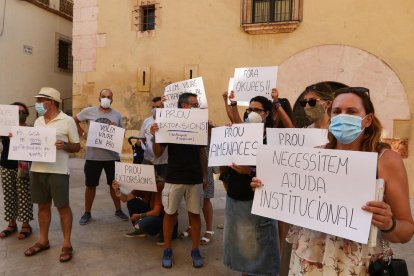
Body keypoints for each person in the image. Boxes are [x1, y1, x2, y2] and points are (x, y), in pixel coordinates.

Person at [252, 86, 414, 275]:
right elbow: (292, 204)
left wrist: (389, 224)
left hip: (355, 266)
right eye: (337, 112)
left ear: (368, 119)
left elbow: (406, 231)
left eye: (352, 112)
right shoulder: (315, 156)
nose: (342, 117)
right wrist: (269, 189)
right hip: (307, 262)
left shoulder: (385, 160)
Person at [223, 95, 281, 276]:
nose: (252, 113)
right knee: (242, 248)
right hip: (236, 195)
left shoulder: (273, 138)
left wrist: (249, 172)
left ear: (267, 113)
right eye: (250, 109)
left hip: (258, 201)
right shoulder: (240, 131)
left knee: (260, 247)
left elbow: (277, 172)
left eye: (257, 110)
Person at [151, 92, 207, 269]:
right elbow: (158, 153)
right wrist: (154, 136)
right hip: (174, 177)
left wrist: (205, 175)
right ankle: (167, 249)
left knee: (195, 215)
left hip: (194, 178)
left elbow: (201, 152)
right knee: (170, 214)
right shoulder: (169, 124)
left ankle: (195, 250)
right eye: (194, 104)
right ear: (184, 106)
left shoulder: (198, 125)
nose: (197, 107)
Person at [24, 87, 80, 262]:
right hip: (38, 169)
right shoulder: (38, 121)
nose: (38, 104)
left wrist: (63, 145)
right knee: (42, 206)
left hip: (58, 171)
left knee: (62, 207)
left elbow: (77, 147)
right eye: (38, 100)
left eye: (41, 100)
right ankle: (43, 241)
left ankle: (66, 244)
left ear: (53, 102)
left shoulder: (68, 120)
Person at [75, 89, 129, 225]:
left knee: (115, 186)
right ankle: (87, 212)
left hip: (112, 157)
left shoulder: (117, 115)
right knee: (90, 185)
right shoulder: (89, 111)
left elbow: (122, 134)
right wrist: (83, 134)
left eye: (109, 97)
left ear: (112, 99)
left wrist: (116, 130)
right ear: (99, 98)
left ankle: (118, 210)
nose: (106, 99)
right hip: (93, 156)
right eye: (103, 96)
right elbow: (74, 120)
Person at [0, 102, 33, 239]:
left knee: (24, 195)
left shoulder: (31, 128)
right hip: (6, 166)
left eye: (23, 111)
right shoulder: (4, 128)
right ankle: (11, 224)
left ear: (26, 113)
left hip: (23, 167)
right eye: (17, 111)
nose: (20, 113)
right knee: (9, 195)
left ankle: (26, 225)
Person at [180, 121, 216, 246]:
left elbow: (214, 137)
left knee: (206, 199)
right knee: (190, 199)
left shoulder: (207, 124)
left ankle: (209, 230)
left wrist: (211, 126)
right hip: (188, 166)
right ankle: (192, 225)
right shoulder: (182, 122)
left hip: (205, 166)